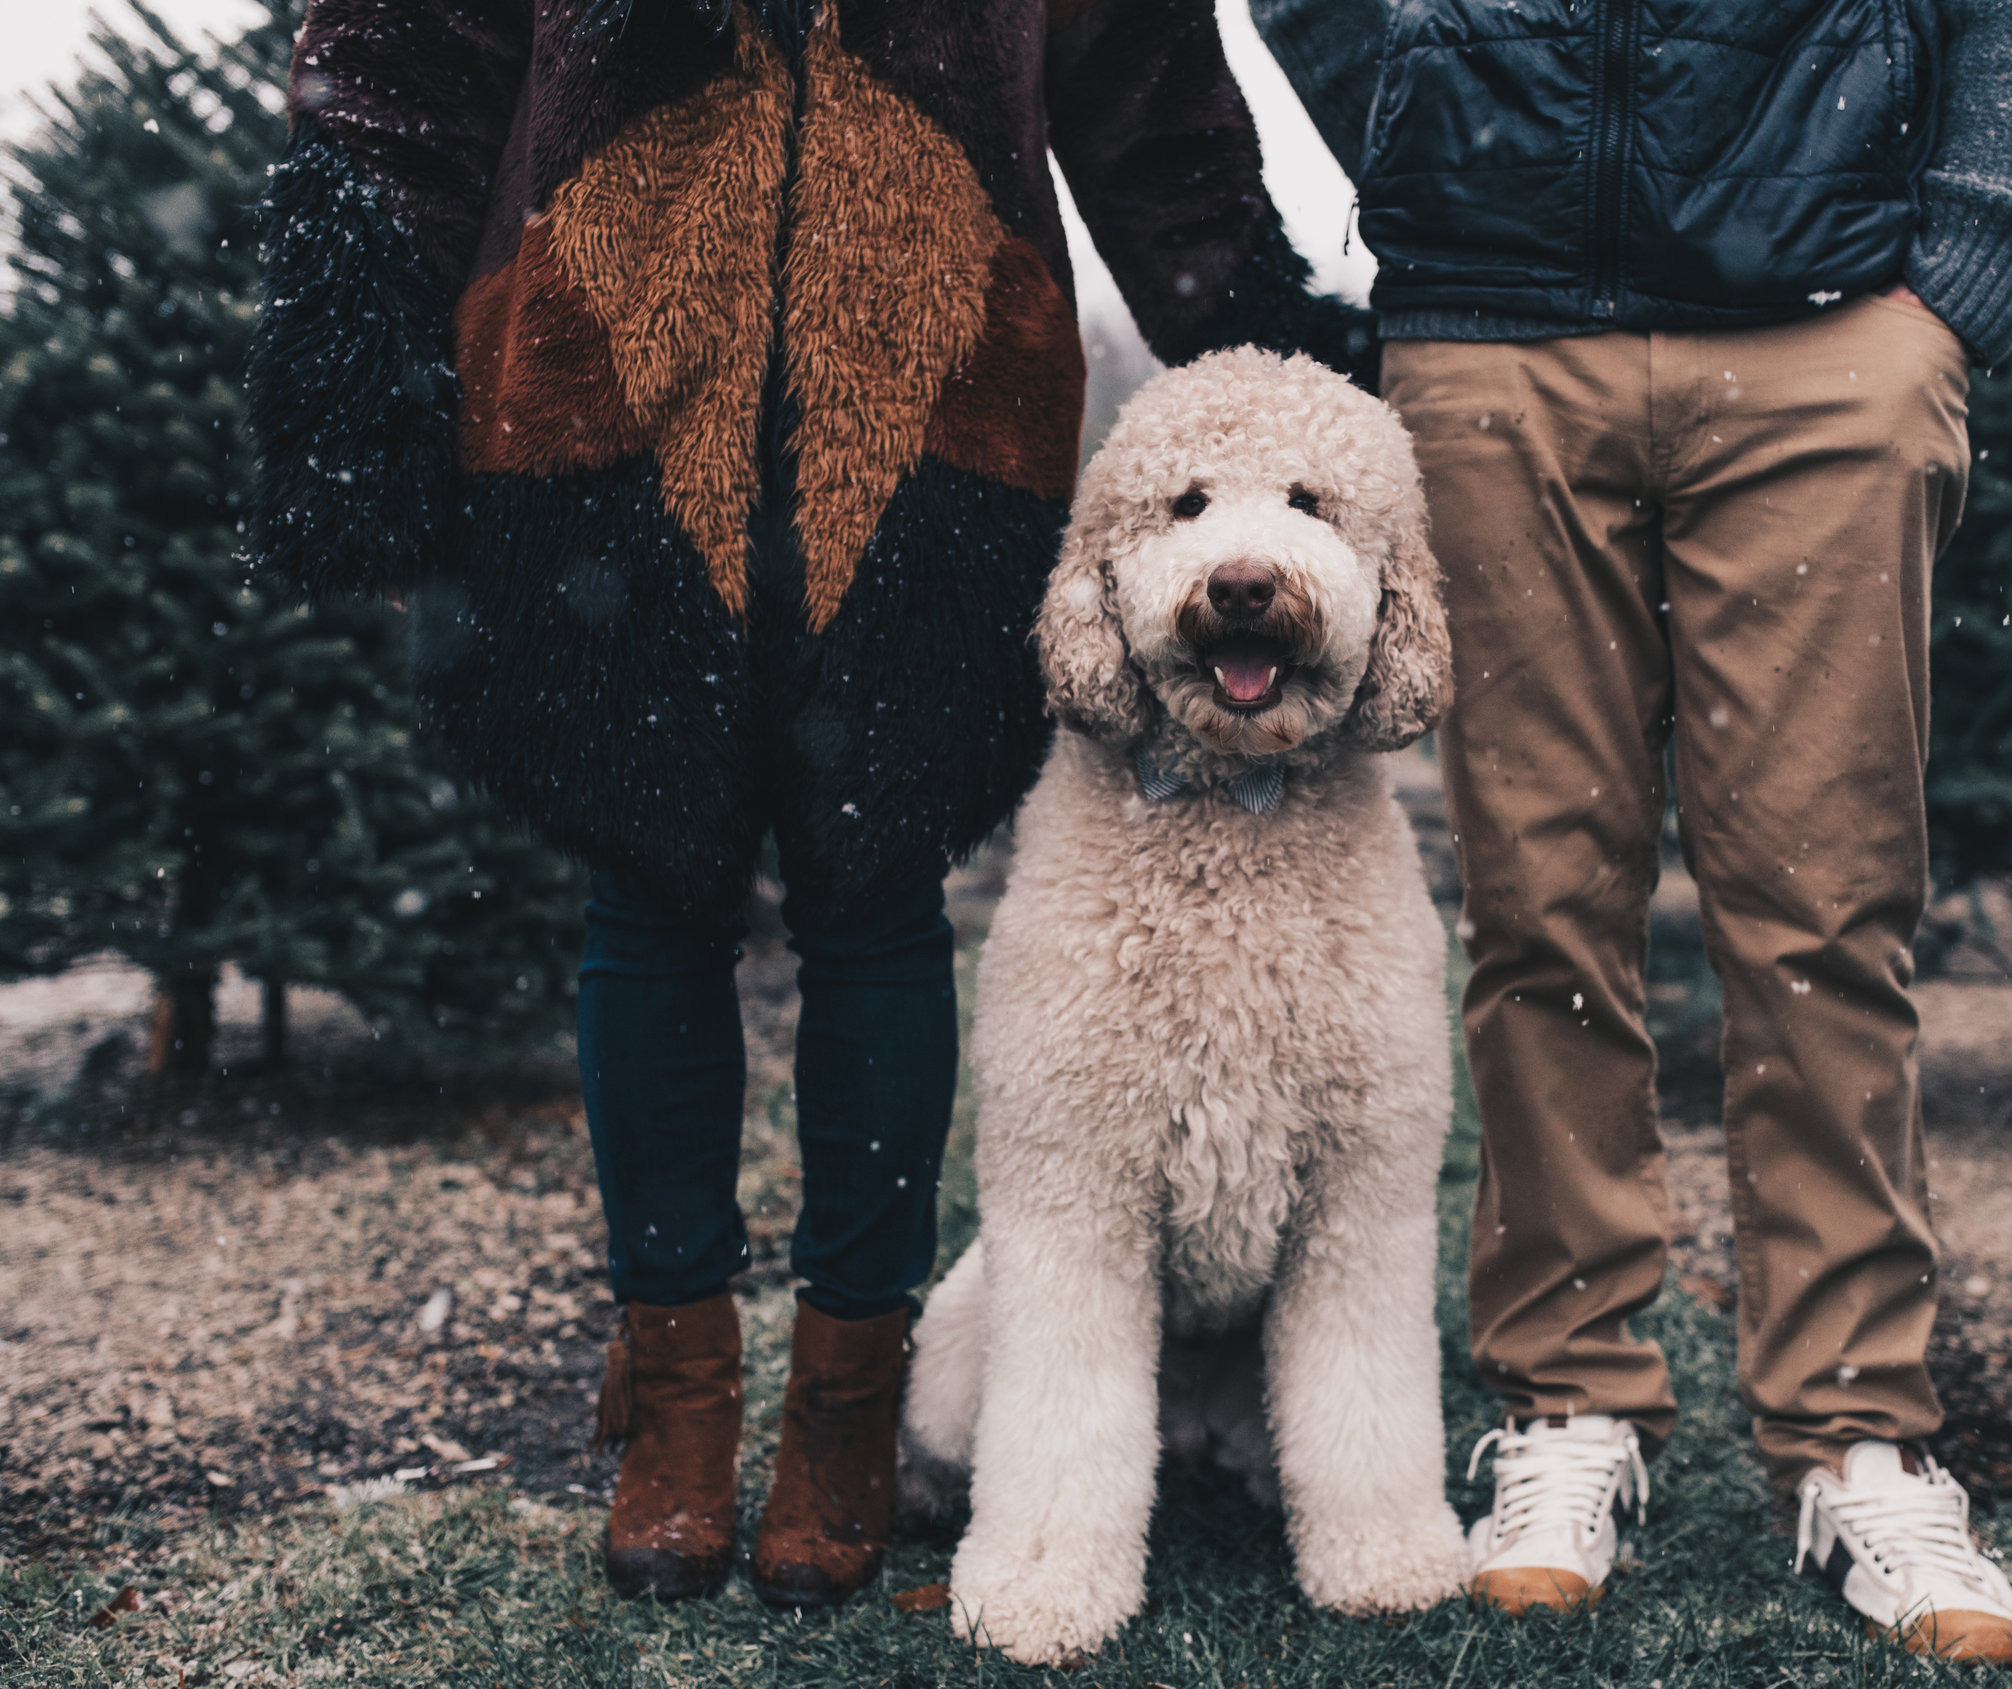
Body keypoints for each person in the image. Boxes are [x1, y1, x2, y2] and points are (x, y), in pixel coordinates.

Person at [250, 0, 1369, 1611]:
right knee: (647, 894)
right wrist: (351, 358)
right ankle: (678, 1407)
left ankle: (848, 1405)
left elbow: (1151, 98)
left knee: (877, 895)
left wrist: (1268, 353)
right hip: (604, 393)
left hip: (938, 407)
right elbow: (406, 68)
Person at [1253, 0, 2012, 1664]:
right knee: (1541, 902)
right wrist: (1432, 118)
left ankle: (1859, 1434)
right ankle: (1569, 1407)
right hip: (1492, 328)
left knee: (1825, 911)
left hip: (1834, 317)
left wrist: (1979, 243)